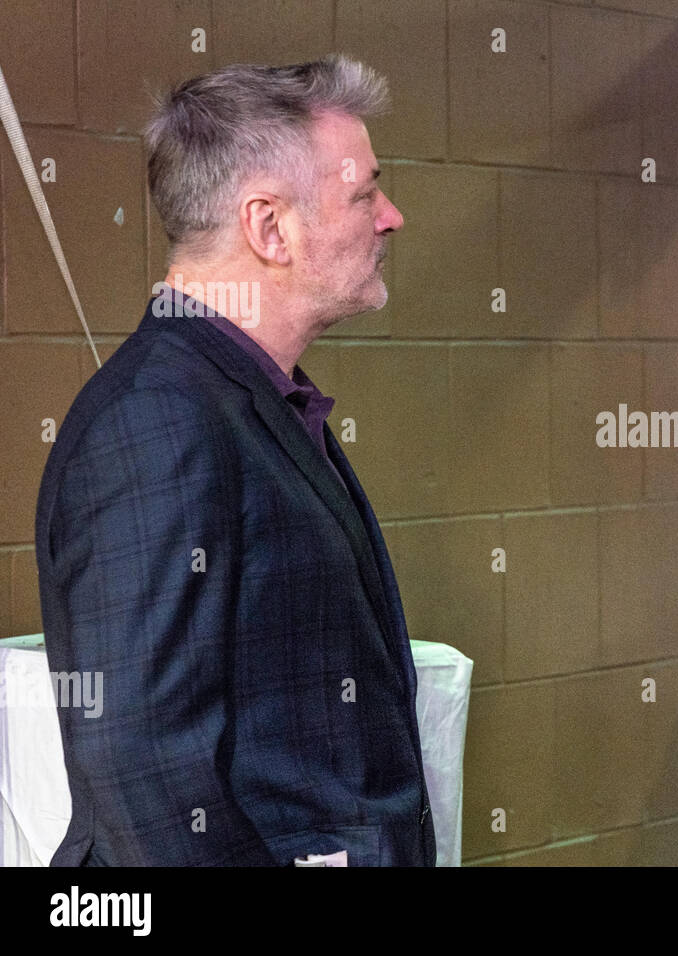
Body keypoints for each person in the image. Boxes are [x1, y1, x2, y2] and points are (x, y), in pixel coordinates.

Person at [35, 55, 435, 866]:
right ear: (269, 228)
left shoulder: (247, 398)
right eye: (363, 193)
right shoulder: (157, 418)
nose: (390, 217)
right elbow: (139, 762)